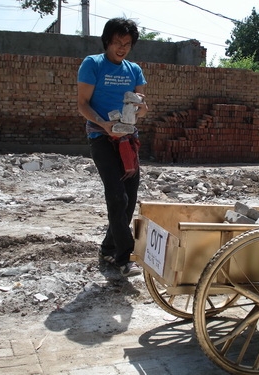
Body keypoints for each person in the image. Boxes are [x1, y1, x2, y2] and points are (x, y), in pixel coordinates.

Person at [77, 17, 148, 277]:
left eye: (127, 44)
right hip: (101, 138)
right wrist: (103, 123)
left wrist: (142, 110)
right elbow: (82, 104)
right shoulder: (92, 64)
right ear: (107, 41)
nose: (122, 48)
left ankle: (108, 247)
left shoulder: (134, 70)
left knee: (128, 200)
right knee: (116, 195)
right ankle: (123, 256)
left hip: (128, 141)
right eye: (117, 42)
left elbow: (140, 106)